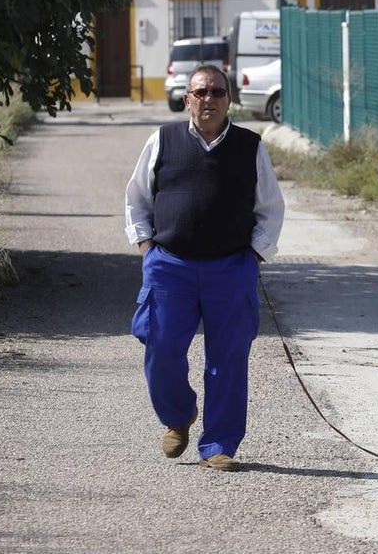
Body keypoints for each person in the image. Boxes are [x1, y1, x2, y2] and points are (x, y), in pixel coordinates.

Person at [125, 64, 284, 472]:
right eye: (201, 92)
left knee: (228, 358)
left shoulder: (250, 146)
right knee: (159, 346)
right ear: (186, 99)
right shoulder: (163, 140)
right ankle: (178, 416)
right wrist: (146, 247)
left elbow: (270, 208)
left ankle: (219, 445)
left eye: (217, 92)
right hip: (169, 266)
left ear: (229, 99)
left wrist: (254, 257)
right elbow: (137, 199)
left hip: (230, 268)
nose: (208, 99)